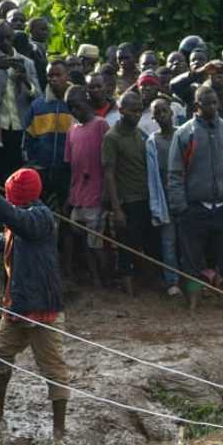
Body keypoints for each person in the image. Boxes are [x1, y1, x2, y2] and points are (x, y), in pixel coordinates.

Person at [0, 168, 70, 441]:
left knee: (53, 368)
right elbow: (8, 240)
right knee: (0, 354)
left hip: (43, 309)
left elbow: (17, 221)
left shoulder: (40, 217)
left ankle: (59, 430)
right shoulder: (24, 217)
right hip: (18, 305)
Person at [167, 84, 223, 311]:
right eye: (208, 103)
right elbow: (175, 173)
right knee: (191, 257)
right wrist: (180, 207)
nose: (213, 107)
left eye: (215, 103)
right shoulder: (185, 134)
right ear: (196, 106)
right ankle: (193, 304)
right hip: (194, 207)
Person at [102, 89, 150, 296]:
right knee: (125, 246)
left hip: (144, 197)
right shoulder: (112, 138)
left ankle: (144, 283)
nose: (137, 114)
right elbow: (109, 174)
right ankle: (128, 289)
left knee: (142, 242)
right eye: (133, 110)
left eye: (140, 110)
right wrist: (117, 209)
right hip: (126, 200)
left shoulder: (140, 134)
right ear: (121, 111)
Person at [62, 84, 109, 287]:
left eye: (77, 106)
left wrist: (107, 194)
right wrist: (70, 197)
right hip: (78, 197)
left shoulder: (100, 125)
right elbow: (71, 167)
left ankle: (106, 277)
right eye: (70, 108)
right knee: (82, 241)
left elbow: (109, 164)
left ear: (87, 102)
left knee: (95, 244)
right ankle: (94, 277)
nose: (74, 111)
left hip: (96, 197)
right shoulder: (72, 131)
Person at [0, 19, 38, 186]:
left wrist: (25, 80)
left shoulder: (27, 63)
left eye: (8, 37)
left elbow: (38, 96)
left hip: (19, 126)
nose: (5, 42)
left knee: (16, 173)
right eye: (0, 38)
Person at [22, 60, 72, 209]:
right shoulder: (37, 105)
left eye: (58, 75)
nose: (54, 79)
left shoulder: (75, 103)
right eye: (50, 75)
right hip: (41, 170)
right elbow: (27, 138)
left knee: (65, 210)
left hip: (67, 171)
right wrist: (32, 163)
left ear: (67, 76)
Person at [146, 97, 181, 296]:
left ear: (172, 112)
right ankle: (172, 281)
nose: (161, 116)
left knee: (188, 240)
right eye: (156, 113)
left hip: (184, 195)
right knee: (168, 242)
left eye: (164, 111)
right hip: (165, 198)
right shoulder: (152, 141)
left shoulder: (183, 134)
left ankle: (192, 277)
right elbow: (152, 176)